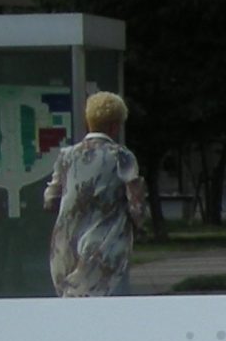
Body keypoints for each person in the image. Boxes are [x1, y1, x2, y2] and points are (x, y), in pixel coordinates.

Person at [43, 91, 148, 298]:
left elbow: (50, 200)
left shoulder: (66, 156)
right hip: (104, 248)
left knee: (69, 306)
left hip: (64, 249)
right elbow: (137, 208)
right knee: (100, 307)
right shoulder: (121, 156)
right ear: (115, 126)